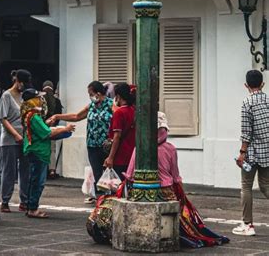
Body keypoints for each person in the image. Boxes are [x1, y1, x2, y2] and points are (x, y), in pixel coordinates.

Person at [88, 112, 229, 248]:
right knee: (187, 218)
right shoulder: (171, 149)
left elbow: (130, 175)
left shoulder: (140, 149)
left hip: (141, 191)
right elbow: (175, 176)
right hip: (168, 191)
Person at [48, 80, 113, 199]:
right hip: (92, 145)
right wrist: (58, 116)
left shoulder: (111, 105)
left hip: (106, 145)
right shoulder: (92, 106)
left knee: (109, 173)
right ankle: (101, 198)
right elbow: (76, 116)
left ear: (98, 93)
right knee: (97, 172)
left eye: (91, 94)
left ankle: (111, 197)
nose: (90, 97)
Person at [21, 88, 75, 218]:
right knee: (37, 182)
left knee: (34, 180)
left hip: (36, 150)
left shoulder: (31, 115)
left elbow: (41, 129)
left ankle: (30, 207)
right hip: (38, 151)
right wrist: (65, 129)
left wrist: (46, 123)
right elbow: (47, 133)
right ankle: (33, 208)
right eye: (38, 98)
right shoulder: (33, 116)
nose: (41, 100)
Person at [232, 69, 269, 237]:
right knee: (266, 186)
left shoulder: (247, 102)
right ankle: (247, 224)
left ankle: (247, 225)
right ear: (262, 84)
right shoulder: (268, 100)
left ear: (246, 85)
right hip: (267, 151)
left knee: (246, 186)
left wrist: (242, 153)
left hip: (252, 153)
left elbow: (246, 132)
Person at [0, 68, 31, 213]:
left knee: (25, 169)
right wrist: (15, 135)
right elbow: (3, 119)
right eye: (22, 83)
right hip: (9, 138)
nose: (23, 86)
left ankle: (24, 200)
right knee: (9, 170)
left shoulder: (25, 96)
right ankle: (5, 200)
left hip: (24, 137)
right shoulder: (6, 96)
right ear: (17, 81)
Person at [103, 82, 136, 180]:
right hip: (132, 155)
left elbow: (116, 136)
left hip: (120, 156)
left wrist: (111, 157)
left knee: (117, 187)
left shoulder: (119, 113)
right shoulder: (134, 111)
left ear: (118, 96)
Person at [42, 80, 63, 179]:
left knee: (42, 149)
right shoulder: (57, 101)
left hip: (41, 128)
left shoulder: (40, 99)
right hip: (52, 128)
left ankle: (43, 170)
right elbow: (59, 116)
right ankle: (52, 170)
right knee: (52, 150)